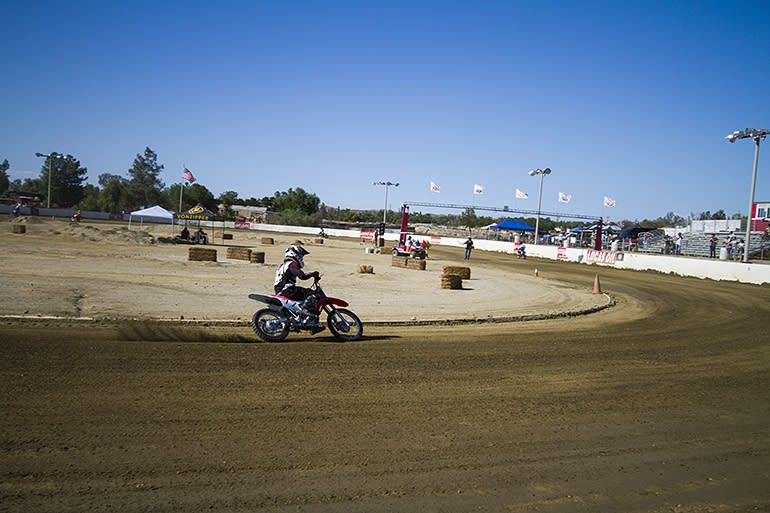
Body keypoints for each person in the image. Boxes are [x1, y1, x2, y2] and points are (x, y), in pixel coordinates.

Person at [274, 245, 319, 319]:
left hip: (280, 291)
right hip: (287, 290)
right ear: (295, 253)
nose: (302, 257)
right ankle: (305, 311)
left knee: (301, 294)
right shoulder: (292, 264)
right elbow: (302, 276)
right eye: (301, 255)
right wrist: (312, 274)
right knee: (311, 293)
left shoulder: (283, 265)